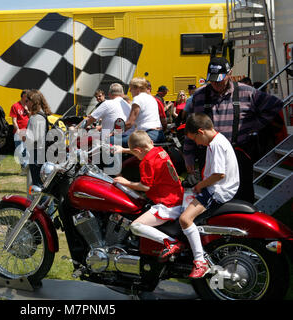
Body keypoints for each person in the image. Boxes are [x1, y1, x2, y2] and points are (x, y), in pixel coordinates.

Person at [183, 56, 284, 203]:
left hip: (238, 153)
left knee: (243, 195)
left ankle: (243, 223)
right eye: (212, 80)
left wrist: (253, 125)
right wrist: (188, 156)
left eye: (220, 80)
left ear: (230, 73)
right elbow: (191, 127)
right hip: (209, 154)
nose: (216, 84)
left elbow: (275, 105)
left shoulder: (247, 92)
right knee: (212, 195)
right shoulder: (199, 96)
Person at [178, 113, 240, 278]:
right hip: (215, 187)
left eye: (195, 139)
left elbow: (219, 174)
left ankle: (200, 261)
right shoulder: (218, 141)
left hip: (218, 190)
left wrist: (200, 185)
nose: (196, 143)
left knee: (184, 219)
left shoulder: (216, 145)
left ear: (201, 132)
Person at [113, 130, 184, 261]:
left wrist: (126, 182)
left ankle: (170, 242)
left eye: (135, 153)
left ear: (138, 150)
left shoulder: (146, 162)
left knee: (135, 226)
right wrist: (123, 150)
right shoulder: (159, 150)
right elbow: (142, 149)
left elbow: (145, 187)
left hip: (167, 205)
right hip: (177, 197)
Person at [24, 89, 52, 188]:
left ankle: (42, 204)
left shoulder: (35, 117)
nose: (25, 103)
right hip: (44, 153)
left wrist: (24, 136)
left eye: (27, 101)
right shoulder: (43, 114)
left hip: (36, 155)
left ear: (33, 102)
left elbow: (32, 138)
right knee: (45, 184)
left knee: (39, 185)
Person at [125, 77, 165, 143]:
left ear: (137, 88)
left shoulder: (138, 98)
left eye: (131, 88)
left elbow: (130, 123)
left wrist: (115, 132)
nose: (130, 91)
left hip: (148, 136)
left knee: (112, 140)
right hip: (159, 134)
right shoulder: (151, 98)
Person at [10, 90, 30, 174]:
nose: (28, 98)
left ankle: (26, 168)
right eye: (27, 96)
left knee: (27, 150)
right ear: (22, 96)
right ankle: (24, 167)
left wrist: (27, 110)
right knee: (20, 151)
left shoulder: (29, 105)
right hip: (19, 132)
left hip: (28, 131)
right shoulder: (15, 106)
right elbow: (14, 120)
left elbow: (32, 116)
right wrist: (17, 129)